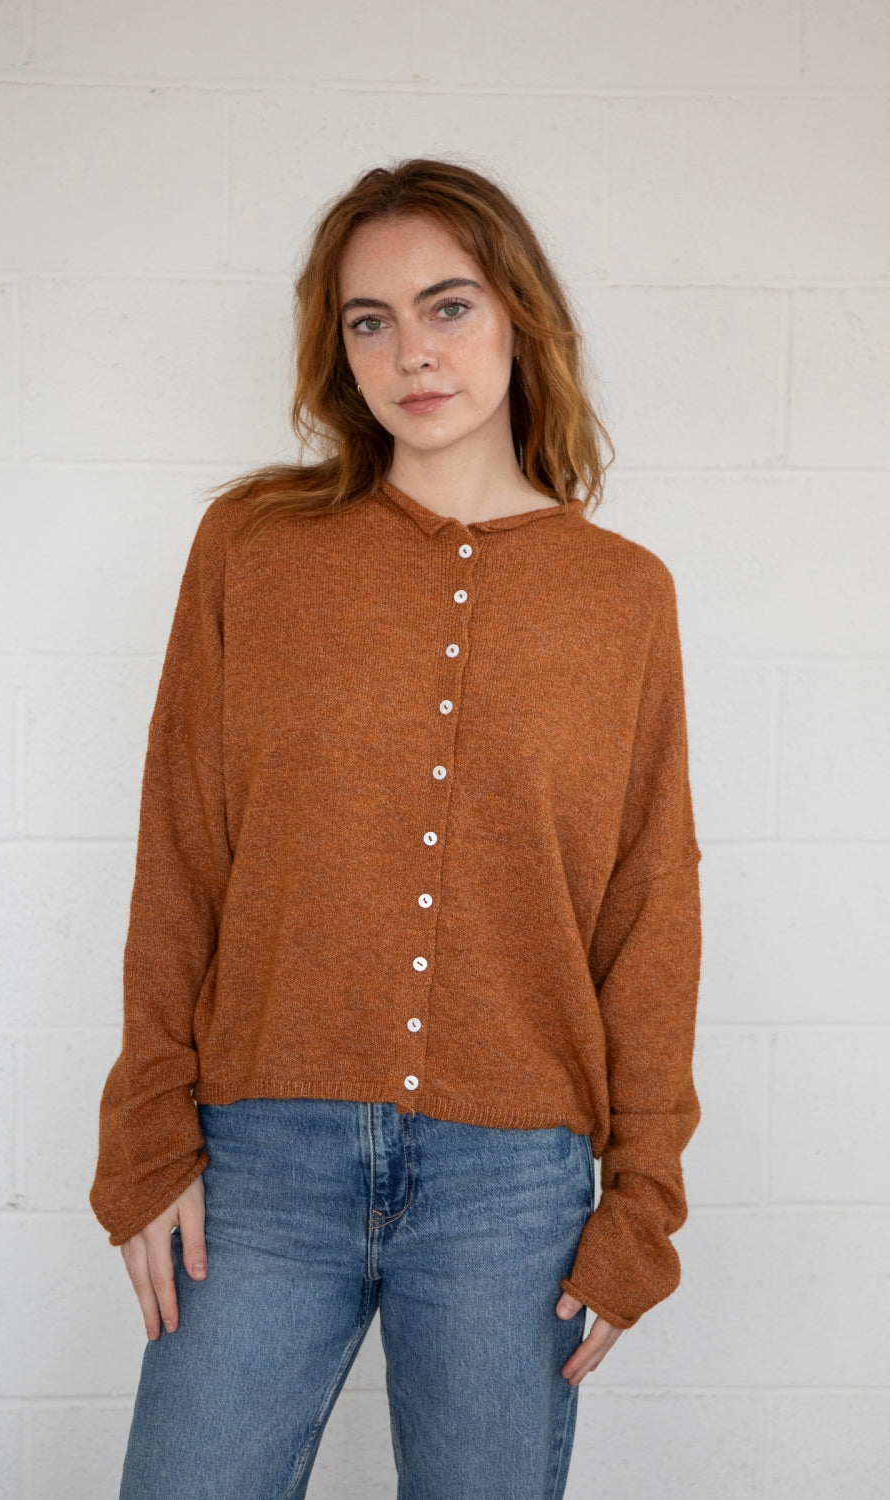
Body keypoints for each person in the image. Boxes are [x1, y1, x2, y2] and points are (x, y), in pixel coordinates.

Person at [90, 156, 703, 1500]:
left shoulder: (622, 598)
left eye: (448, 306)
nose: (411, 352)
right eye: (370, 320)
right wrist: (147, 1131)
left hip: (515, 1187)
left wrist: (642, 1207)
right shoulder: (255, 547)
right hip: (260, 1162)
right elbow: (181, 843)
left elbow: (651, 909)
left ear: (520, 317)